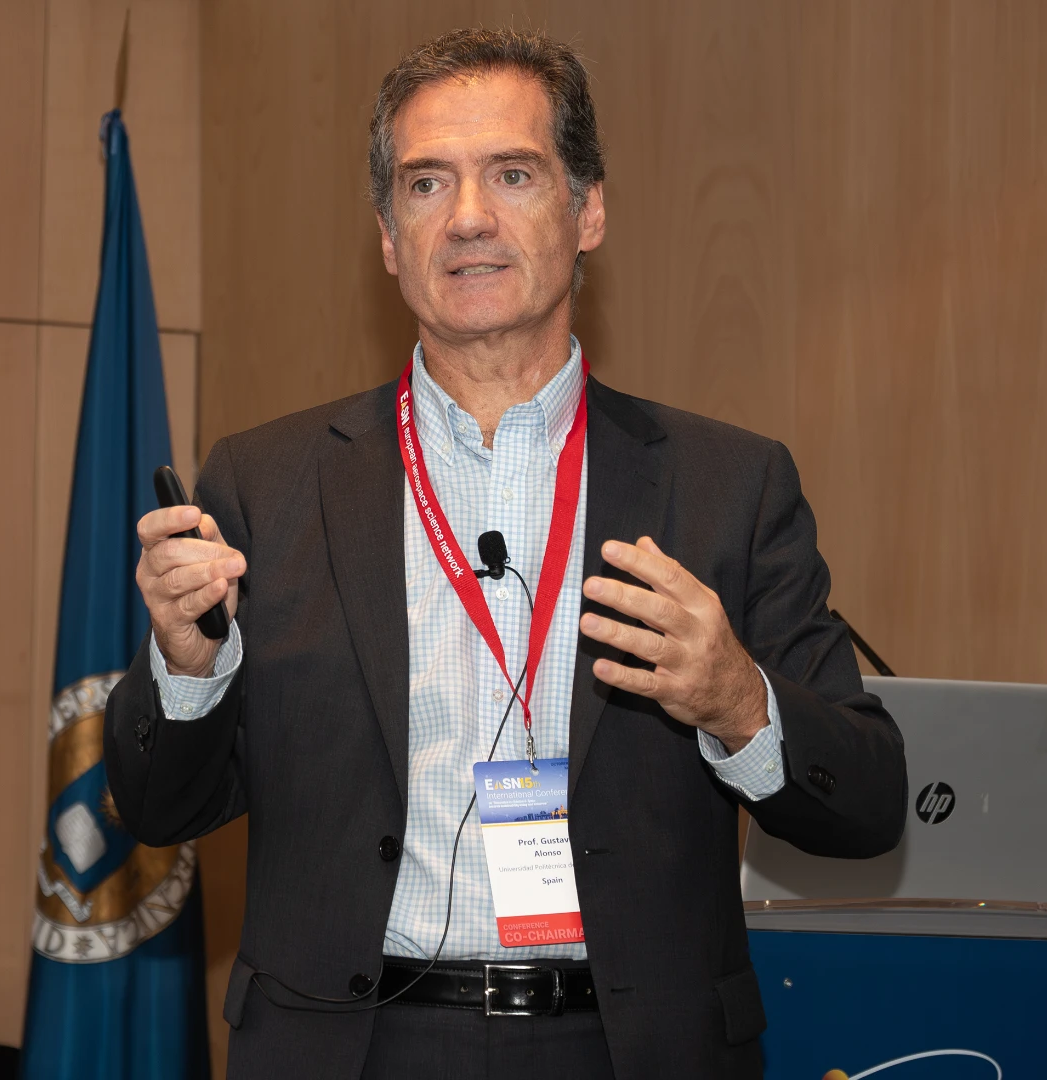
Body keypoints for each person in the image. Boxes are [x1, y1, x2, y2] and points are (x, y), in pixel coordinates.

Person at [104, 27, 906, 1079]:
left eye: (512, 174)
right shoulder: (266, 483)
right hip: (351, 1046)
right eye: (425, 183)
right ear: (388, 238)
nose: (468, 217)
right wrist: (187, 666)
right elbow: (159, 809)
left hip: (629, 1050)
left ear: (588, 211)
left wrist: (737, 701)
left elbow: (866, 803)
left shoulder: (726, 485)